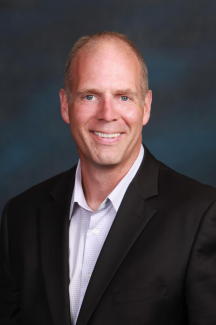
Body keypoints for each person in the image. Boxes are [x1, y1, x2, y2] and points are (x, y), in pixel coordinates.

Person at [0, 31, 216, 325]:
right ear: (65, 105)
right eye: (90, 96)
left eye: (123, 97)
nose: (107, 114)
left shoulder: (201, 215)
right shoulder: (20, 217)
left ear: (146, 107)